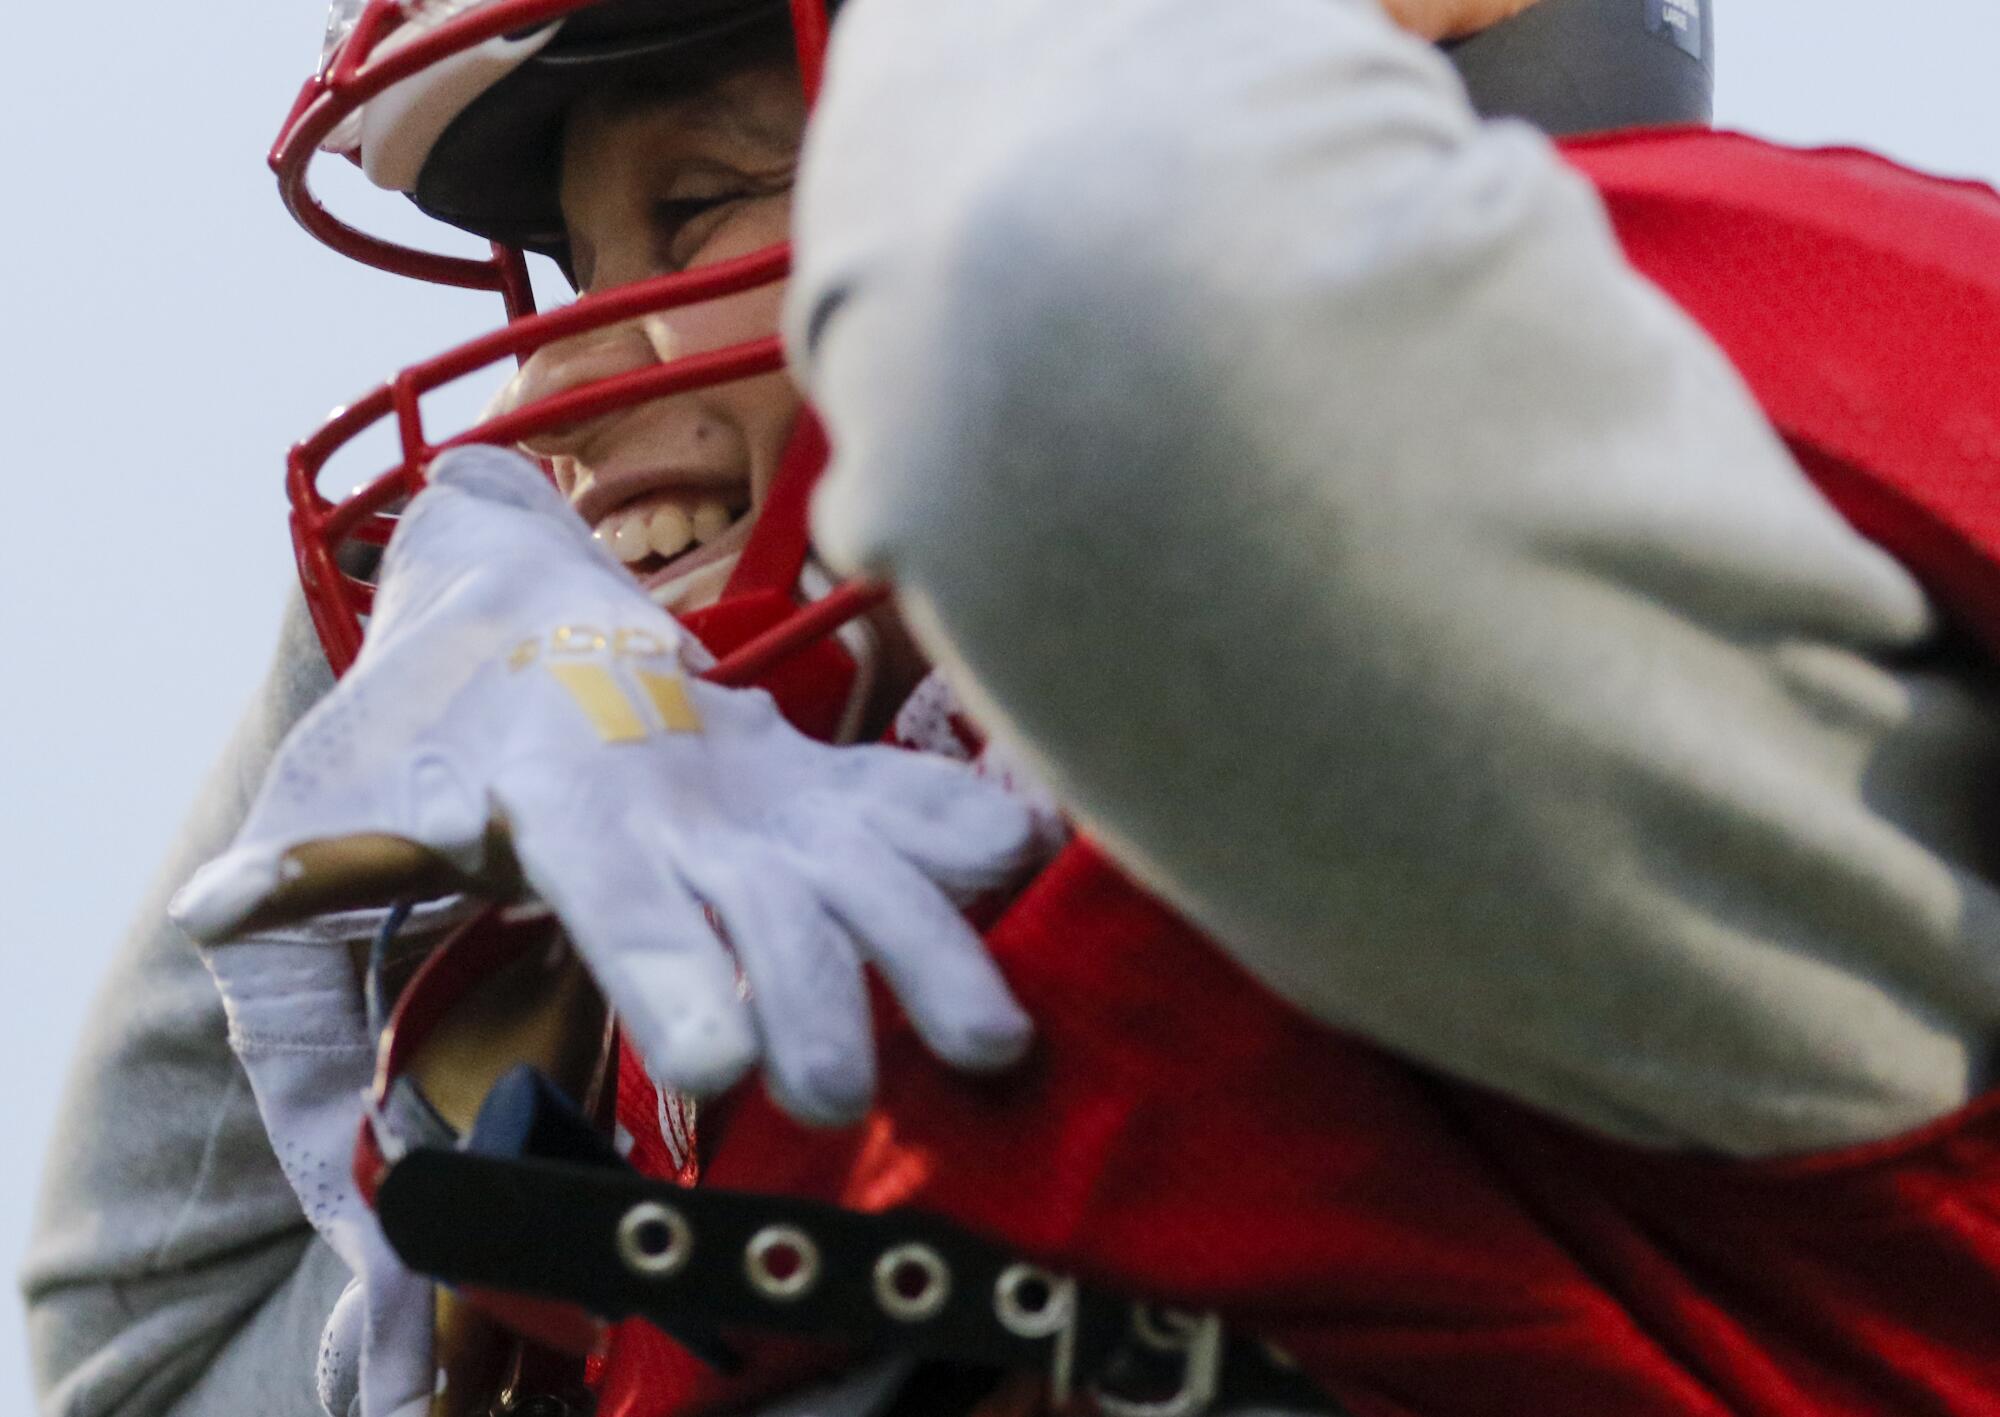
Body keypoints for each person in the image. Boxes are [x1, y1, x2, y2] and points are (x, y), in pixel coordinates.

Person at [26, 0, 2000, 1413]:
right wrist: (392, 639)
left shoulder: (1659, 706)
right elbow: (139, 1371)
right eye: (566, 258)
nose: (594, 388)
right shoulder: (736, 939)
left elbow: (1085, 316)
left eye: (711, 196)